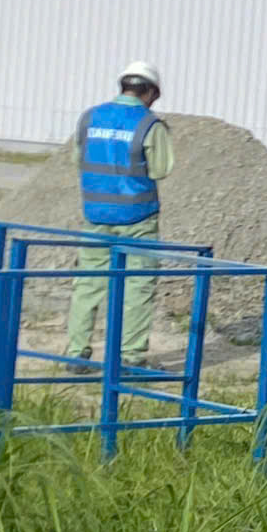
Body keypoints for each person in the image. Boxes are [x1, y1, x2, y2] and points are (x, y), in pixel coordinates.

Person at [63, 62, 175, 365]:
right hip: (138, 217)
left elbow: (78, 159)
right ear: (150, 92)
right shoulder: (148, 124)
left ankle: (75, 354)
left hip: (96, 215)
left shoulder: (90, 118)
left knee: (88, 283)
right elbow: (161, 169)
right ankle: (131, 356)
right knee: (137, 284)